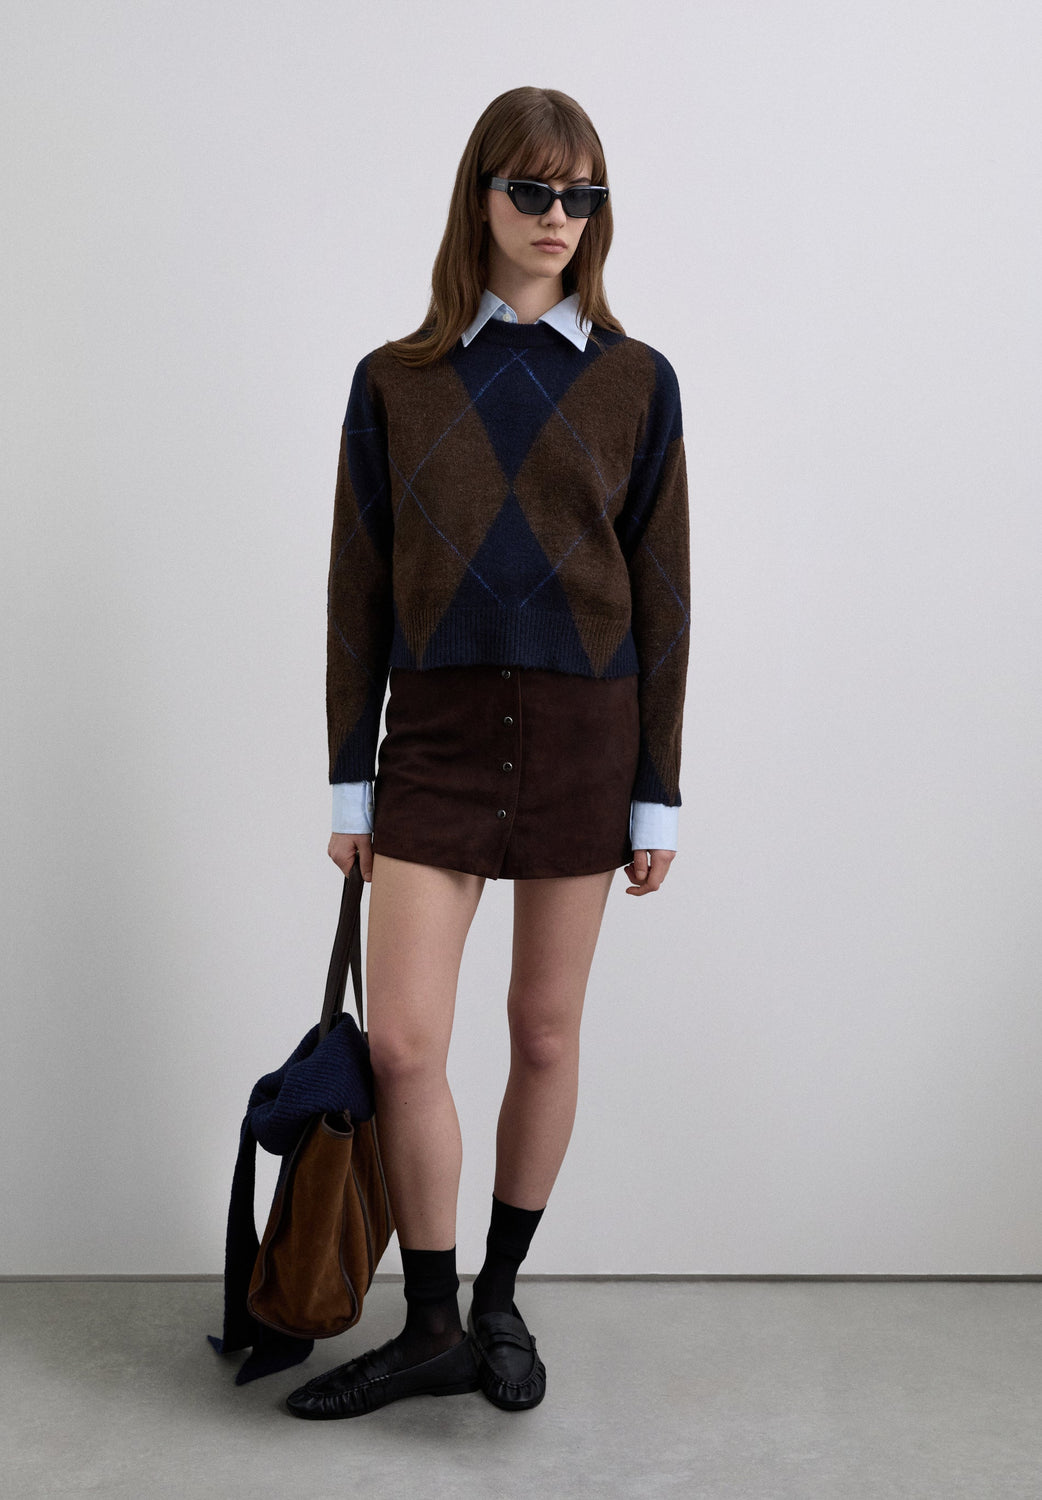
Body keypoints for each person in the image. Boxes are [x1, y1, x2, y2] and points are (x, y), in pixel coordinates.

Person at [286, 84, 690, 1421]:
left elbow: (664, 595)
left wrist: (656, 795)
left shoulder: (636, 382)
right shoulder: (393, 382)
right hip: (437, 740)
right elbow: (355, 593)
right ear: (480, 199)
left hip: (584, 736)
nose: (559, 217)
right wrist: (351, 781)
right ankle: (432, 1323)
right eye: (533, 190)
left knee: (544, 1031)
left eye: (582, 195)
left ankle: (500, 1300)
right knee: (405, 1043)